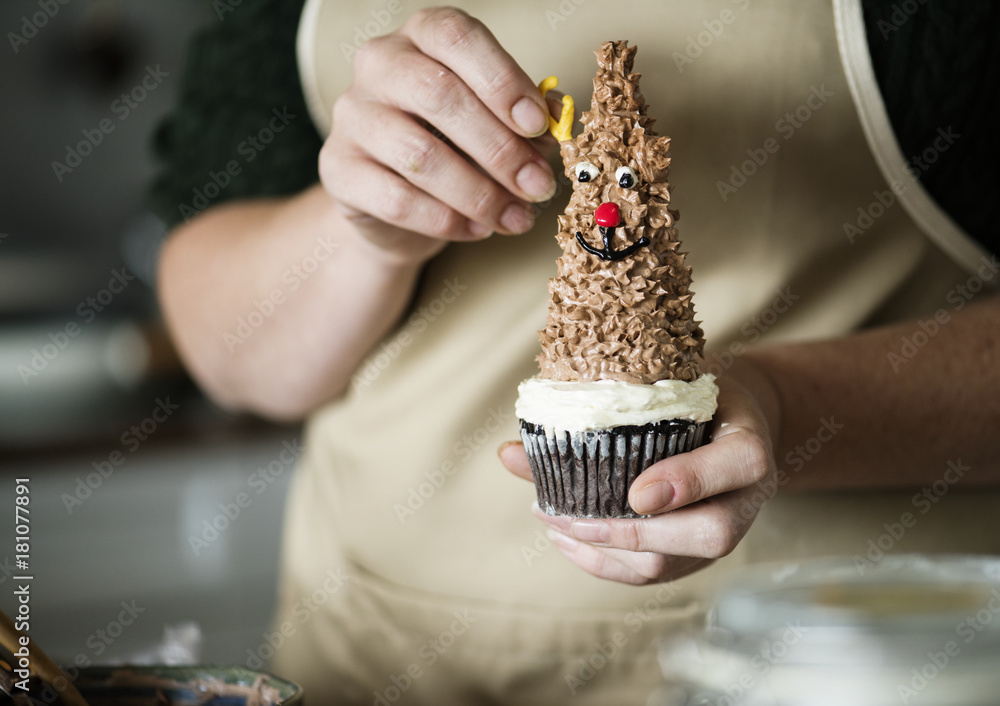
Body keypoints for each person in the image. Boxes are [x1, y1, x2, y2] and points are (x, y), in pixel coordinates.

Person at [153, 0, 1000, 703]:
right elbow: (229, 353)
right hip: (376, 663)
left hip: (831, 662)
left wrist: (785, 404)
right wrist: (364, 231)